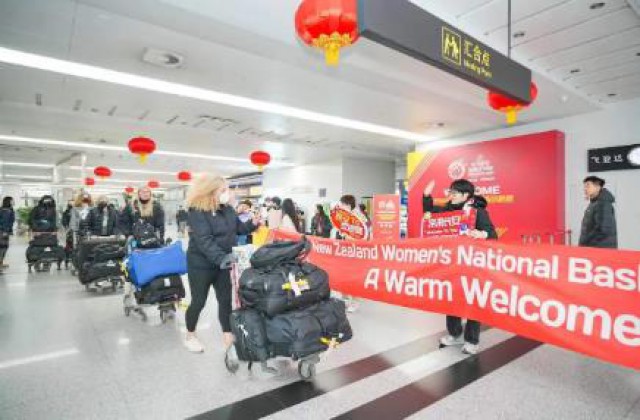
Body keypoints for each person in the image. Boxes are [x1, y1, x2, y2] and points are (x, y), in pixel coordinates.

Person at [184, 173, 259, 354]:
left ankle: (228, 335)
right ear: (211, 191)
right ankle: (190, 335)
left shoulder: (227, 209)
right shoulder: (196, 211)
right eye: (223, 189)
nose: (227, 192)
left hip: (223, 263)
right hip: (201, 265)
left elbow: (238, 228)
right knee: (198, 301)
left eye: (227, 189)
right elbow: (205, 241)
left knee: (225, 300)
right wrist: (222, 258)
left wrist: (252, 224)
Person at [423, 179, 497, 355]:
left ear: (465, 195)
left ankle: (472, 340)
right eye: (450, 192)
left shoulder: (478, 212)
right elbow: (429, 212)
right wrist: (426, 195)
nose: (451, 195)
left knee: (472, 302)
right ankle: (455, 334)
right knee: (452, 300)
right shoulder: (449, 210)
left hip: (472, 265)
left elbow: (493, 234)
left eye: (454, 193)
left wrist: (481, 234)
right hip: (452, 265)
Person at [579, 176, 617, 249]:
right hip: (594, 248)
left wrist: (585, 244)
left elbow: (603, 230)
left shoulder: (603, 203)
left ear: (597, 187)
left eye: (588, 186)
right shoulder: (595, 203)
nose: (585, 189)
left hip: (600, 250)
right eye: (584, 186)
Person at [0, 197, 15, 269]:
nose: (13, 202)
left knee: (3, 247)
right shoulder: (6, 210)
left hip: (4, 231)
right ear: (8, 201)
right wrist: (5, 231)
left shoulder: (6, 209)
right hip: (3, 231)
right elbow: (6, 222)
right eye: (12, 200)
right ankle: (0, 263)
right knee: (3, 247)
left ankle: (1, 263)